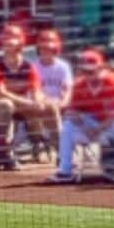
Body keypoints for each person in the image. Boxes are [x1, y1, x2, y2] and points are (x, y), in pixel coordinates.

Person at [47, 49, 114, 185]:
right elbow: (71, 111)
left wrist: (98, 129)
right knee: (68, 125)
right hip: (95, 123)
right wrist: (78, 121)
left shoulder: (112, 81)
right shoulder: (80, 84)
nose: (88, 75)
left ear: (101, 68)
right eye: (85, 71)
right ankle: (65, 170)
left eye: (91, 71)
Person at [0, 25, 45, 170]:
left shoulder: (27, 66)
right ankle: (6, 151)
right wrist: (28, 102)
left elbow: (36, 89)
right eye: (6, 38)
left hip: (17, 104)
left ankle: (37, 145)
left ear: (20, 42)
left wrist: (37, 101)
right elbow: (0, 94)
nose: (8, 42)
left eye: (12, 39)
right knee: (6, 105)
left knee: (37, 107)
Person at [30, 28, 72, 161]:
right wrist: (46, 101)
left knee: (53, 109)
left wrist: (62, 102)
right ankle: (42, 143)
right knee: (38, 110)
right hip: (39, 103)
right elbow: (34, 89)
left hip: (59, 104)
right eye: (43, 49)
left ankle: (60, 149)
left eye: (50, 49)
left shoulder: (63, 66)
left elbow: (67, 89)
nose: (46, 52)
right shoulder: (33, 66)